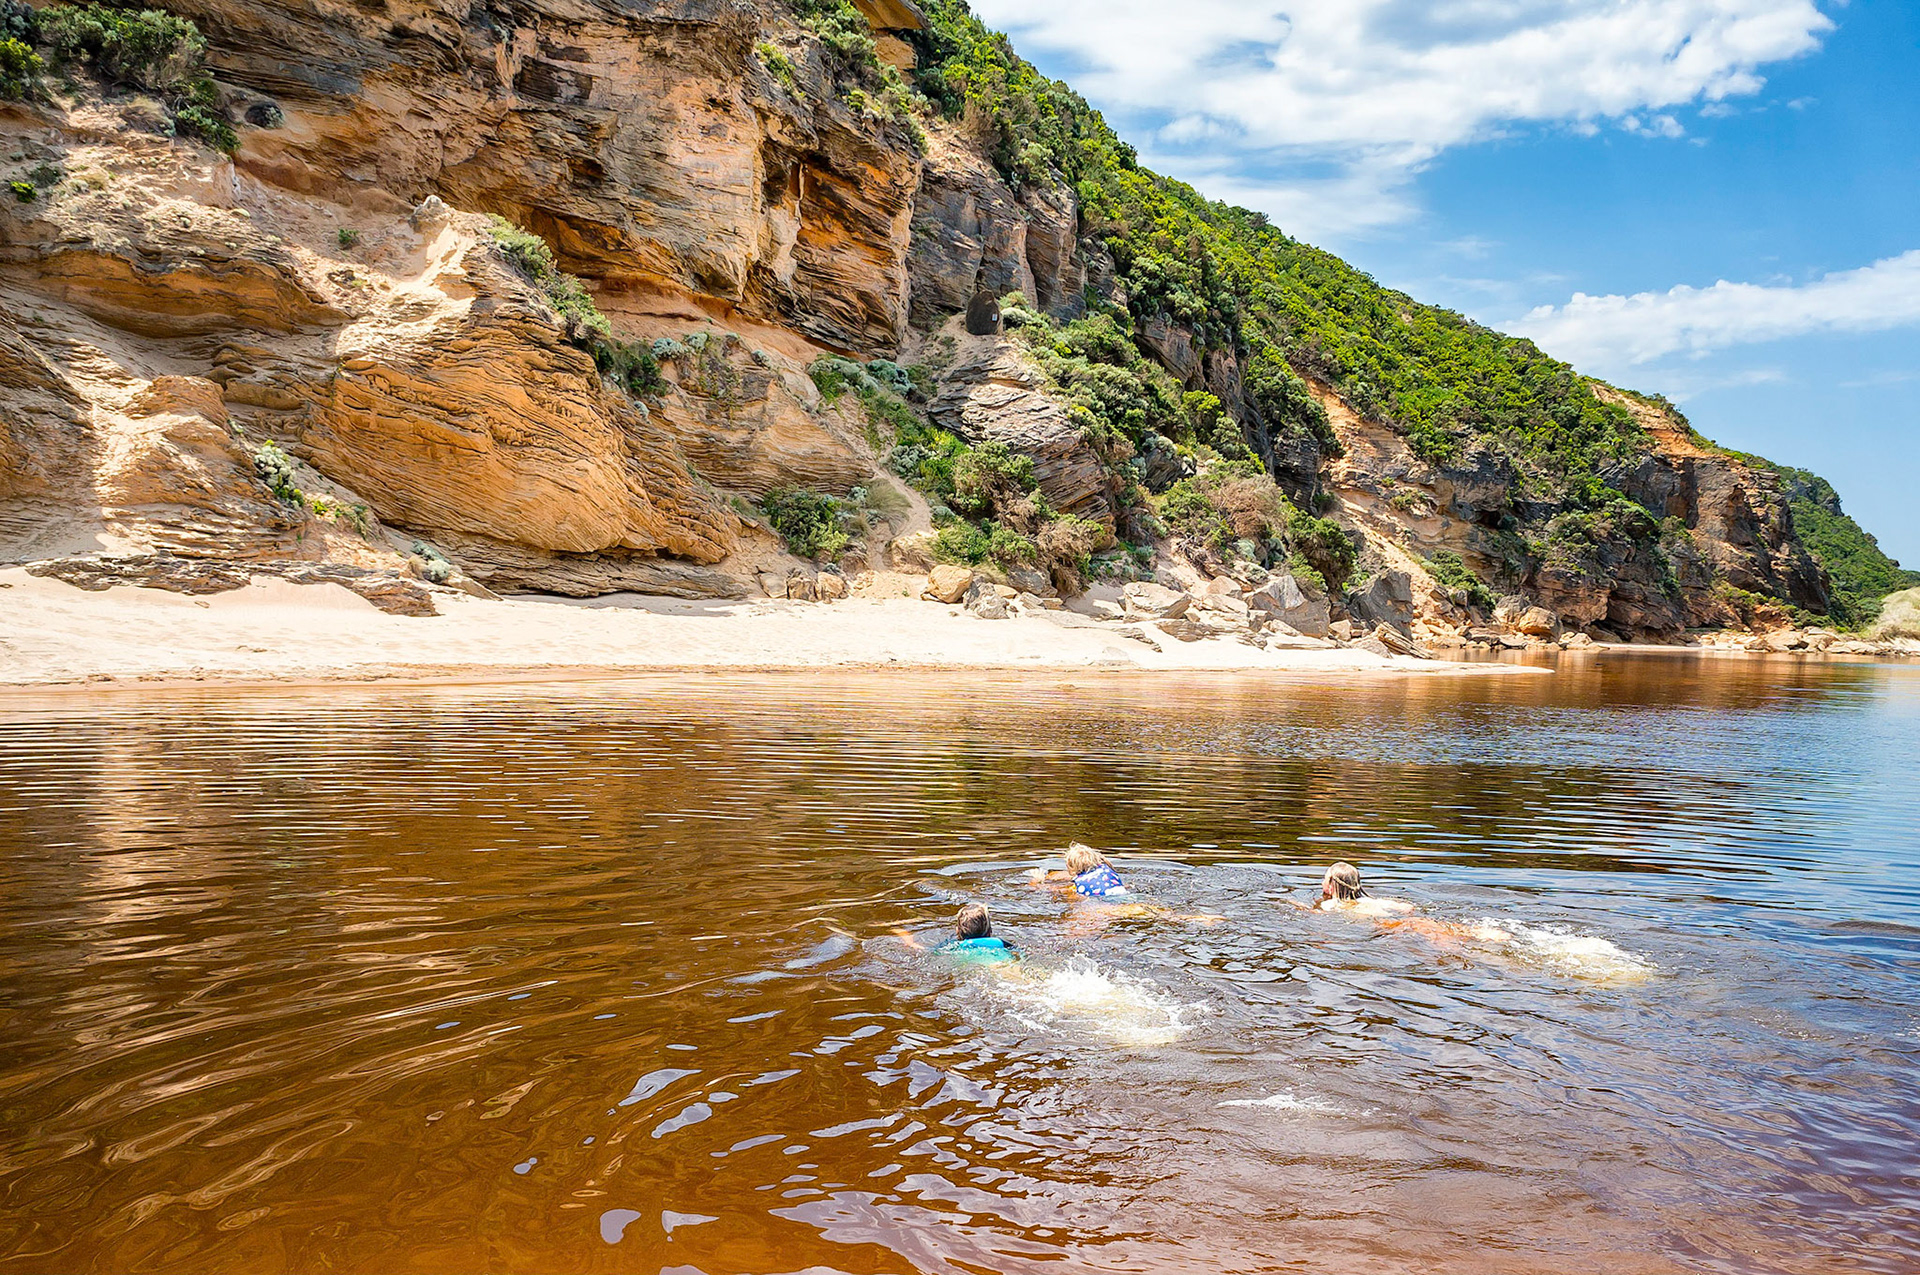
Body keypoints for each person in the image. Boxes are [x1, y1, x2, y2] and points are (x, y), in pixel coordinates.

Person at [898, 902, 1018, 964]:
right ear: (990, 932)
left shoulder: (953, 947)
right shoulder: (1000, 943)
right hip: (1002, 962)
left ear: (957, 932)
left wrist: (909, 941)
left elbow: (925, 951)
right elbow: (1020, 953)